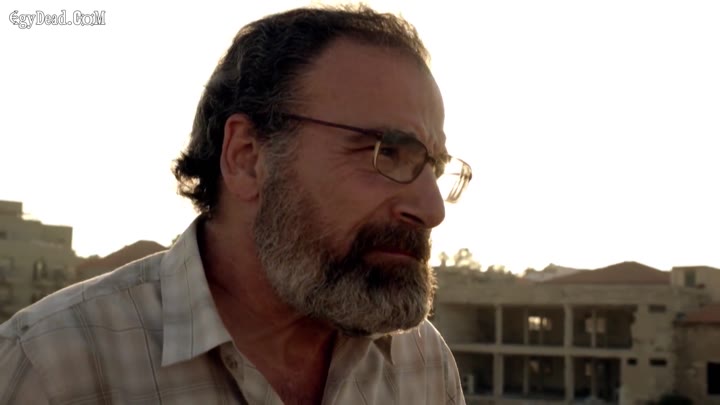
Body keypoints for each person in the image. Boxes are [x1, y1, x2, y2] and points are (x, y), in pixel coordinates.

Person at [0, 5, 472, 404]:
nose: (432, 211)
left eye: (433, 167)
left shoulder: (422, 365)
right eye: (387, 153)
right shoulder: (54, 368)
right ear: (247, 157)